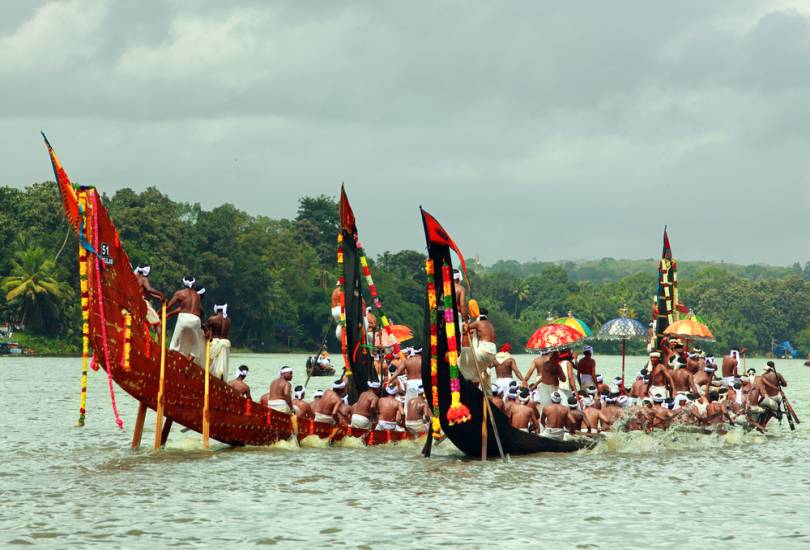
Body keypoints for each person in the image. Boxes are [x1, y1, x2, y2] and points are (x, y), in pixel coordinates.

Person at [167, 277, 206, 366]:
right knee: (195, 347)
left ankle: (171, 362)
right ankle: (188, 365)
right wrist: (204, 328)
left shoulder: (180, 293)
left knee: (174, 342)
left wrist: (160, 312)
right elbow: (202, 312)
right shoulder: (197, 296)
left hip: (183, 318)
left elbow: (169, 306)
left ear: (184, 283)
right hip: (196, 320)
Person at [460, 308, 497, 381]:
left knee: (457, 353)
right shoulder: (490, 324)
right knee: (475, 371)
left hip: (483, 352)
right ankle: (473, 380)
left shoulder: (478, 323)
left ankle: (464, 378)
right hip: (492, 354)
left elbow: (465, 328)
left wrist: (464, 323)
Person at [389, 347, 423, 412]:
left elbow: (398, 371)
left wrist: (389, 380)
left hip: (410, 384)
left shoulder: (407, 361)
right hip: (421, 383)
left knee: (410, 404)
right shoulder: (423, 361)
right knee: (422, 403)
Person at [207, 304, 231, 380]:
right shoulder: (228, 320)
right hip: (225, 344)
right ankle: (221, 381)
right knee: (222, 367)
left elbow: (207, 332)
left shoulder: (212, 319)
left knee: (211, 366)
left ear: (216, 309)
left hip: (214, 343)